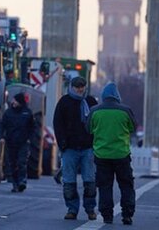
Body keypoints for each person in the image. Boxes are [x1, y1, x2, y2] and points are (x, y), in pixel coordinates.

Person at [87, 82, 137, 225]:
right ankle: (127, 214)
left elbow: (88, 128)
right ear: (117, 96)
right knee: (126, 185)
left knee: (105, 186)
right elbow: (132, 127)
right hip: (122, 155)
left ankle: (107, 215)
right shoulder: (125, 110)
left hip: (102, 155)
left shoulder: (94, 111)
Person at [53, 76, 99, 221]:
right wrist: (63, 144)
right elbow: (58, 124)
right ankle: (72, 209)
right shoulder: (64, 102)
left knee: (90, 181)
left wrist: (94, 143)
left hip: (87, 148)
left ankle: (90, 208)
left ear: (85, 87)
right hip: (70, 148)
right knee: (69, 182)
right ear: (72, 87)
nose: (80, 89)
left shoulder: (91, 102)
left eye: (82, 86)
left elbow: (97, 124)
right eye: (77, 86)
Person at [0, 91, 35, 193]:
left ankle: (22, 181)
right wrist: (1, 136)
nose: (13, 102)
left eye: (15, 100)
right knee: (12, 163)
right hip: (10, 142)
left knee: (21, 162)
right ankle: (15, 183)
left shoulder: (28, 113)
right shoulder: (8, 113)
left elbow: (33, 127)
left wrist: (30, 138)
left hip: (23, 142)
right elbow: (2, 125)